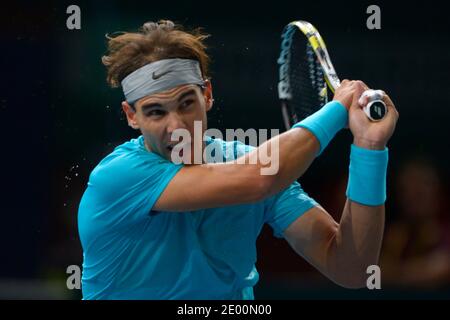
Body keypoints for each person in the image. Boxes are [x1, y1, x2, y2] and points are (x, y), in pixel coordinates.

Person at [77, 20, 399, 299]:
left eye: (186, 103)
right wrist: (336, 110)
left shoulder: (247, 161)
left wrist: (369, 148)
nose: (175, 127)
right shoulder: (117, 177)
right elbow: (261, 177)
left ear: (207, 94)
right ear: (131, 116)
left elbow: (352, 269)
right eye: (156, 112)